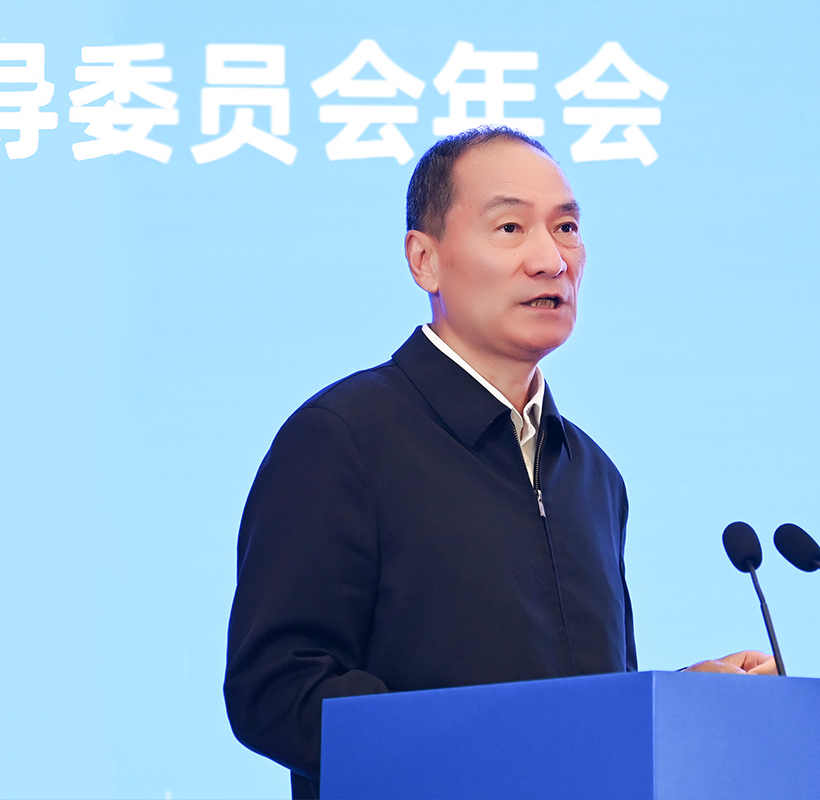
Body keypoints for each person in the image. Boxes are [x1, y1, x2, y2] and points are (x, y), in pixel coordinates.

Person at [224, 127, 775, 800]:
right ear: (425, 260)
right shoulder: (343, 439)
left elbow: (579, 715)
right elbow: (276, 689)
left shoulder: (593, 475)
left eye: (567, 228)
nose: (551, 259)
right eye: (511, 227)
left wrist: (679, 703)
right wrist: (492, 748)